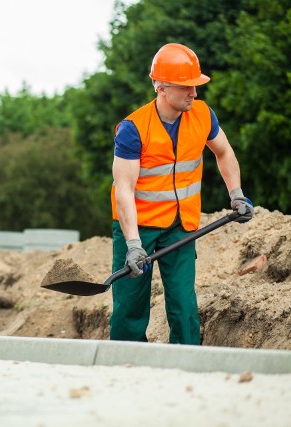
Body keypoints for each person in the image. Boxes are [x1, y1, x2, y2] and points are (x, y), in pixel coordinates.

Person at [110, 43, 253, 345]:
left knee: (184, 305)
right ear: (161, 87)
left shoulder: (202, 115)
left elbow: (224, 152)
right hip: (138, 228)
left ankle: (189, 364)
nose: (194, 93)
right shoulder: (133, 128)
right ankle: (124, 366)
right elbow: (123, 190)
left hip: (180, 227)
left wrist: (236, 194)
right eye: (186, 87)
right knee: (130, 308)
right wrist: (133, 245)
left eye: (195, 86)